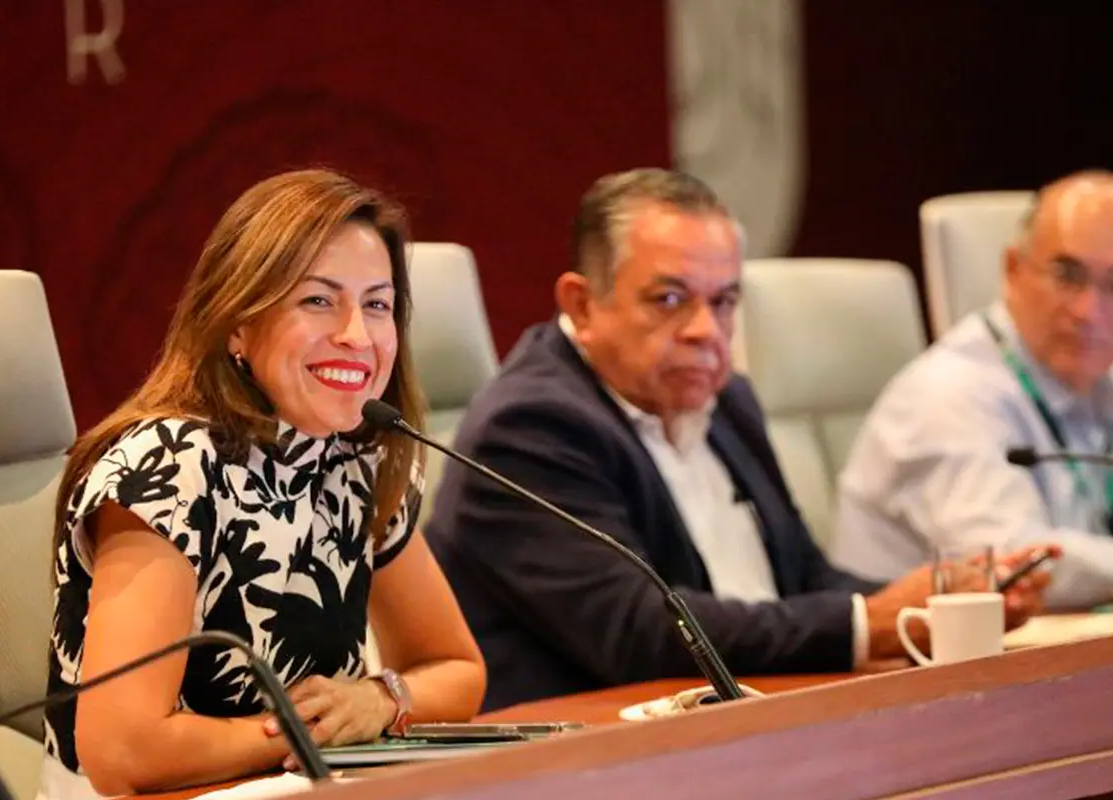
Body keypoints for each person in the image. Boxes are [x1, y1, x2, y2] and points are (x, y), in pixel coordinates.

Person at [423, 168, 1049, 712]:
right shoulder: (531, 426)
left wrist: (936, 600)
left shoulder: (729, 402)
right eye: (669, 299)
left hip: (752, 718)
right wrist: (872, 623)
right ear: (582, 304)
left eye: (723, 302)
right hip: (592, 756)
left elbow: (801, 575)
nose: (706, 330)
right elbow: (643, 631)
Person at [41, 169, 486, 799]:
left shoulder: (361, 456)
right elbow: (124, 751)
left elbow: (457, 669)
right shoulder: (166, 466)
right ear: (237, 326)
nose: (357, 335)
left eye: (378, 304)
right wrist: (309, 733)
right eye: (317, 300)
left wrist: (381, 700)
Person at [833, 170, 1113, 609]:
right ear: (1013, 270)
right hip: (921, 667)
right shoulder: (945, 395)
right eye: (1068, 275)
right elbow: (1017, 567)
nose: (1089, 310)